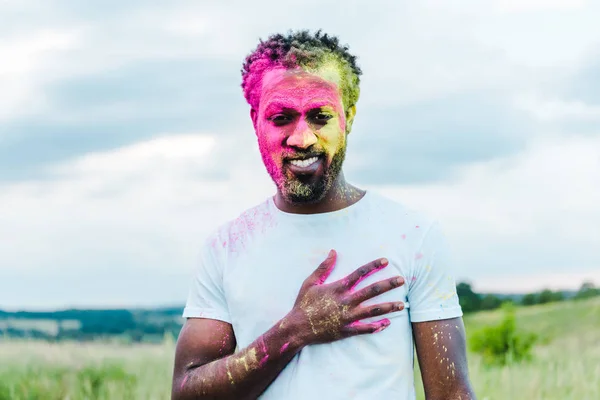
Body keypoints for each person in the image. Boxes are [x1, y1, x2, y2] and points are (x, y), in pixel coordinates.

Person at [171, 30, 476, 400]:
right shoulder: (227, 245)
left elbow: (451, 395)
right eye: (281, 117)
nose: (302, 139)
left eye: (320, 116)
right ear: (256, 121)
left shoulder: (413, 234)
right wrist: (294, 331)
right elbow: (187, 392)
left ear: (347, 117)